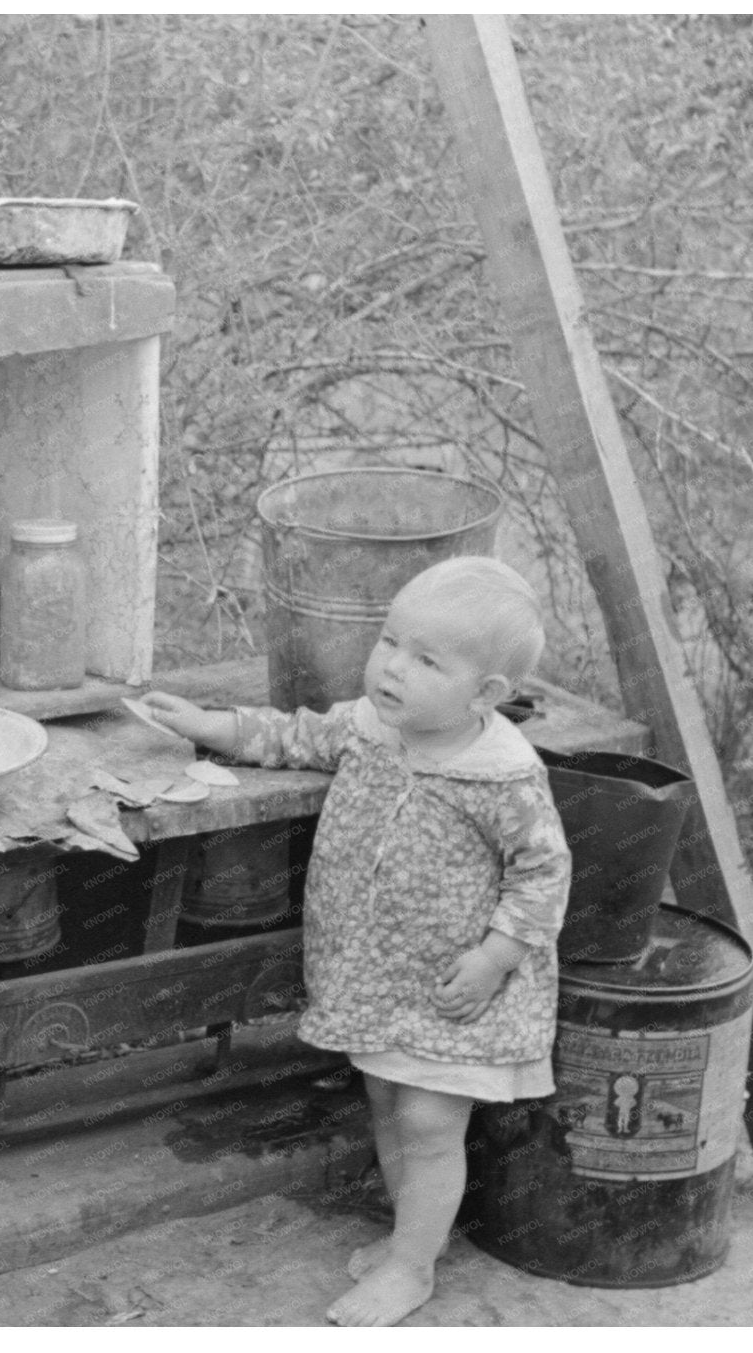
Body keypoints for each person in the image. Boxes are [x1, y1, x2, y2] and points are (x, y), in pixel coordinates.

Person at [140, 554, 570, 1327]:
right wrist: (212, 726)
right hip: (376, 978)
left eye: (427, 660)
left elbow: (543, 877)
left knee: (432, 1124)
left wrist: (495, 957)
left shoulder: (503, 776)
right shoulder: (369, 729)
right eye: (390, 642)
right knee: (385, 1102)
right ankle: (413, 1238)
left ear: (486, 693)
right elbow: (294, 737)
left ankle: (411, 1268)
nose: (393, 668)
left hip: (453, 987)